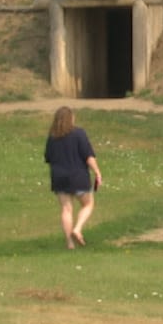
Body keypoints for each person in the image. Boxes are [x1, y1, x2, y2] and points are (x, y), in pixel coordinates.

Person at [44, 106, 102, 249]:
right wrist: (97, 172)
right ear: (71, 119)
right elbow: (88, 156)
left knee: (66, 209)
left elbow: (48, 157)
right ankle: (78, 228)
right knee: (88, 204)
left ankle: (69, 243)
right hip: (78, 176)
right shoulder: (79, 134)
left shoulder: (52, 137)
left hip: (59, 177)